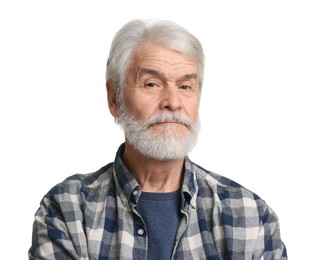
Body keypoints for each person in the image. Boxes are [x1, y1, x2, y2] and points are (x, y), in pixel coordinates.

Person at [29, 19, 287, 259]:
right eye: (152, 84)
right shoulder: (68, 210)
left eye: (185, 86)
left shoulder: (250, 216)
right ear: (114, 98)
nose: (173, 103)